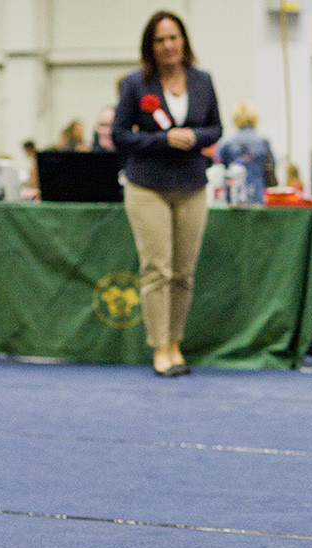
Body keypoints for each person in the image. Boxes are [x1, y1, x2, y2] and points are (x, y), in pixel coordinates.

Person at [112, 10, 222, 376]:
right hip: (147, 187)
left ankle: (176, 343)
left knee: (183, 273)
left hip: (192, 184)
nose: (168, 45)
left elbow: (215, 128)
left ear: (184, 41)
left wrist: (195, 136)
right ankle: (159, 347)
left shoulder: (202, 81)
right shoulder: (135, 84)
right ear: (150, 47)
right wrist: (163, 138)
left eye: (173, 37)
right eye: (159, 40)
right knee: (157, 269)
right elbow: (120, 136)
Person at [215, 101, 276, 205]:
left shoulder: (226, 143)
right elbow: (272, 164)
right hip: (257, 193)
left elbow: (218, 167)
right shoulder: (263, 142)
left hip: (233, 196)